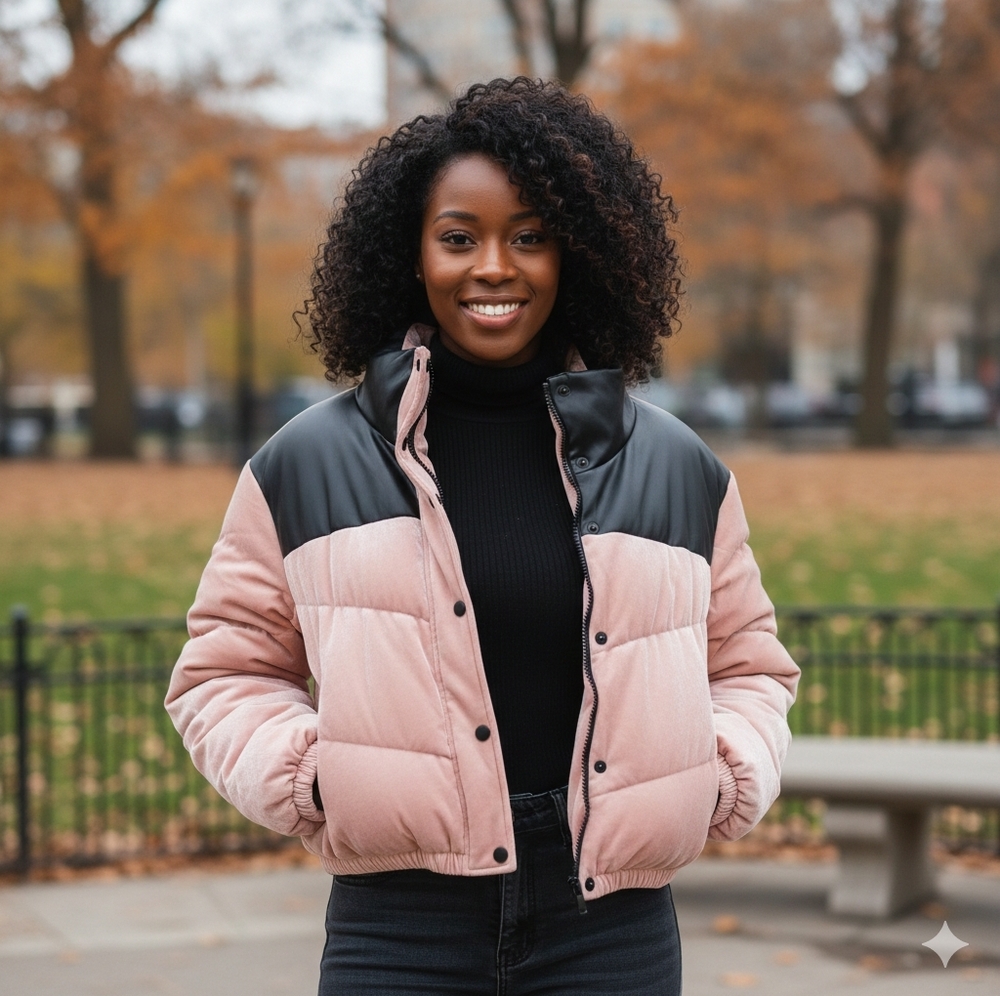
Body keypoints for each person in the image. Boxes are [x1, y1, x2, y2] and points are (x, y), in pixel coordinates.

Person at [166, 77, 799, 995]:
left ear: (576, 253)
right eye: (459, 237)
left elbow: (748, 666)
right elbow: (224, 670)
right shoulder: (304, 464)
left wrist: (725, 776)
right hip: (401, 928)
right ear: (412, 254)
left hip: (610, 932)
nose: (494, 266)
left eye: (530, 236)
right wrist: (311, 778)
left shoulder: (675, 466)